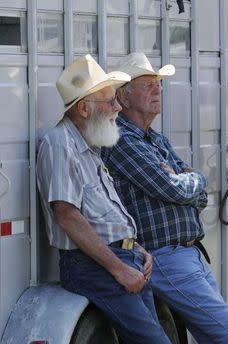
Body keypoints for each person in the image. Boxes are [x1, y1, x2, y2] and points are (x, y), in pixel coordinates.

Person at [102, 52, 228, 344]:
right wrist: (188, 181)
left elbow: (197, 195)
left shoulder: (154, 138)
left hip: (185, 254)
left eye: (158, 84)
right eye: (148, 84)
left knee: (217, 336)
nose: (157, 89)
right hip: (163, 256)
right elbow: (174, 188)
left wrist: (188, 182)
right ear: (124, 96)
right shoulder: (121, 138)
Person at [36, 54, 171, 344]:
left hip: (122, 258)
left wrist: (136, 248)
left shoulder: (90, 145)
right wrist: (119, 269)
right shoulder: (60, 144)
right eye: (110, 101)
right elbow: (67, 216)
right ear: (84, 108)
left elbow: (102, 216)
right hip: (92, 265)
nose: (118, 108)